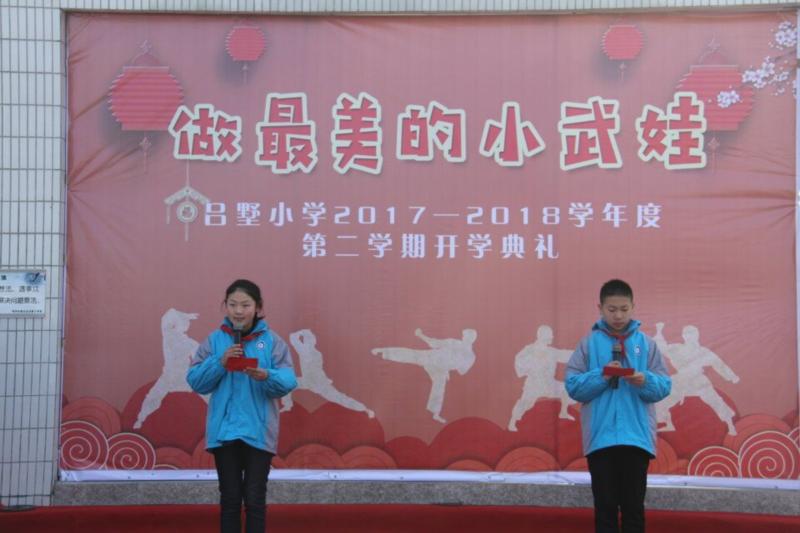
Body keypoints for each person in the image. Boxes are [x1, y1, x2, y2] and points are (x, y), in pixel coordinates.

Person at [187, 279, 297, 533]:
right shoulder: (215, 340)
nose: (238, 311)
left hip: (258, 431)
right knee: (230, 499)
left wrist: (267, 375)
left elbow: (289, 380)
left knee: (255, 499)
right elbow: (196, 381)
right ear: (224, 306)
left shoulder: (272, 342)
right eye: (233, 304)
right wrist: (220, 361)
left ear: (257, 307)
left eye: (245, 305)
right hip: (224, 433)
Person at [565, 279, 671, 533]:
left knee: (633, 508)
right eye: (612, 309)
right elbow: (573, 386)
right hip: (600, 439)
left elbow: (664, 386)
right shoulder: (588, 344)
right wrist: (601, 375)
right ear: (600, 308)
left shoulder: (647, 344)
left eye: (624, 309)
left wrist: (645, 380)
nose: (618, 316)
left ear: (633, 307)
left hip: (636, 439)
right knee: (605, 509)